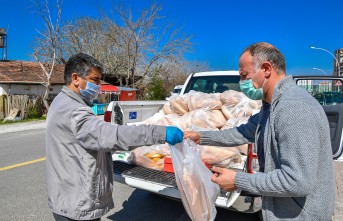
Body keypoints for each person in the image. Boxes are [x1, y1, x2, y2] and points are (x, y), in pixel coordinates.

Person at [184, 42, 335, 221]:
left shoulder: (294, 108)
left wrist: (238, 180)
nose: (242, 83)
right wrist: (201, 137)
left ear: (266, 69)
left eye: (244, 75)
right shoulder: (271, 107)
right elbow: (241, 133)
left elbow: (298, 180)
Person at [46, 53, 183, 221]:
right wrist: (161, 133)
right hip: (76, 205)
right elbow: (113, 136)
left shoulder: (61, 101)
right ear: (75, 78)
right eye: (94, 80)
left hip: (66, 195)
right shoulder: (75, 112)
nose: (98, 86)